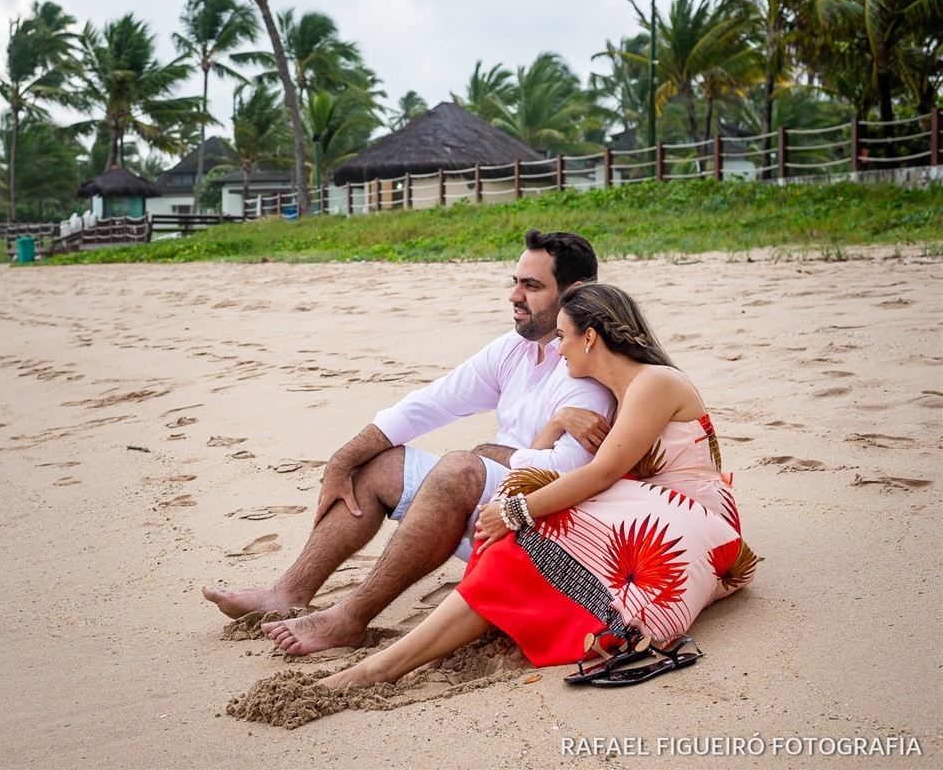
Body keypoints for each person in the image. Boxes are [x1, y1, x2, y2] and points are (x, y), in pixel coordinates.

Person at [321, 284, 758, 689]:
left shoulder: (653, 382)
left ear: (589, 338)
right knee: (522, 519)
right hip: (649, 507)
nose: (557, 347)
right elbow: (547, 459)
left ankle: (382, 667)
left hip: (691, 517)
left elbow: (601, 473)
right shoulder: (620, 388)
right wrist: (554, 423)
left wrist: (515, 511)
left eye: (564, 336)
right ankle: (436, 643)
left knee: (523, 528)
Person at [203, 230, 617, 655]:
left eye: (531, 286)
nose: (514, 295)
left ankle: (350, 618)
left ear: (575, 293)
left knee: (459, 469)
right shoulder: (516, 348)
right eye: (515, 281)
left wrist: (482, 458)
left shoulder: (588, 370)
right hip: (494, 511)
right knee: (379, 464)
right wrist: (342, 460)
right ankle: (289, 591)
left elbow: (566, 475)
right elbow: (428, 404)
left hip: (546, 536)